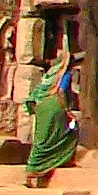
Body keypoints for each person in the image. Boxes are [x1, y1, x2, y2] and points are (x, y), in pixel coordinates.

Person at [23, 49, 80, 185]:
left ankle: (31, 170)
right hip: (55, 107)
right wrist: (67, 110)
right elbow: (61, 91)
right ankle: (64, 159)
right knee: (71, 130)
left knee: (42, 138)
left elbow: (35, 95)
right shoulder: (64, 75)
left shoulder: (49, 75)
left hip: (42, 108)